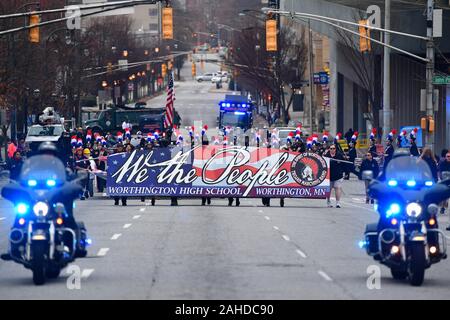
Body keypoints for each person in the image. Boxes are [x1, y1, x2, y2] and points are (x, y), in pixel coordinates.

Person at [438, 151, 450, 219]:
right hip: (444, 180)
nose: (449, 158)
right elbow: (440, 171)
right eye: (448, 156)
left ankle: (444, 207)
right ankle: (442, 207)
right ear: (445, 157)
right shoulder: (442, 163)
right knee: (444, 196)